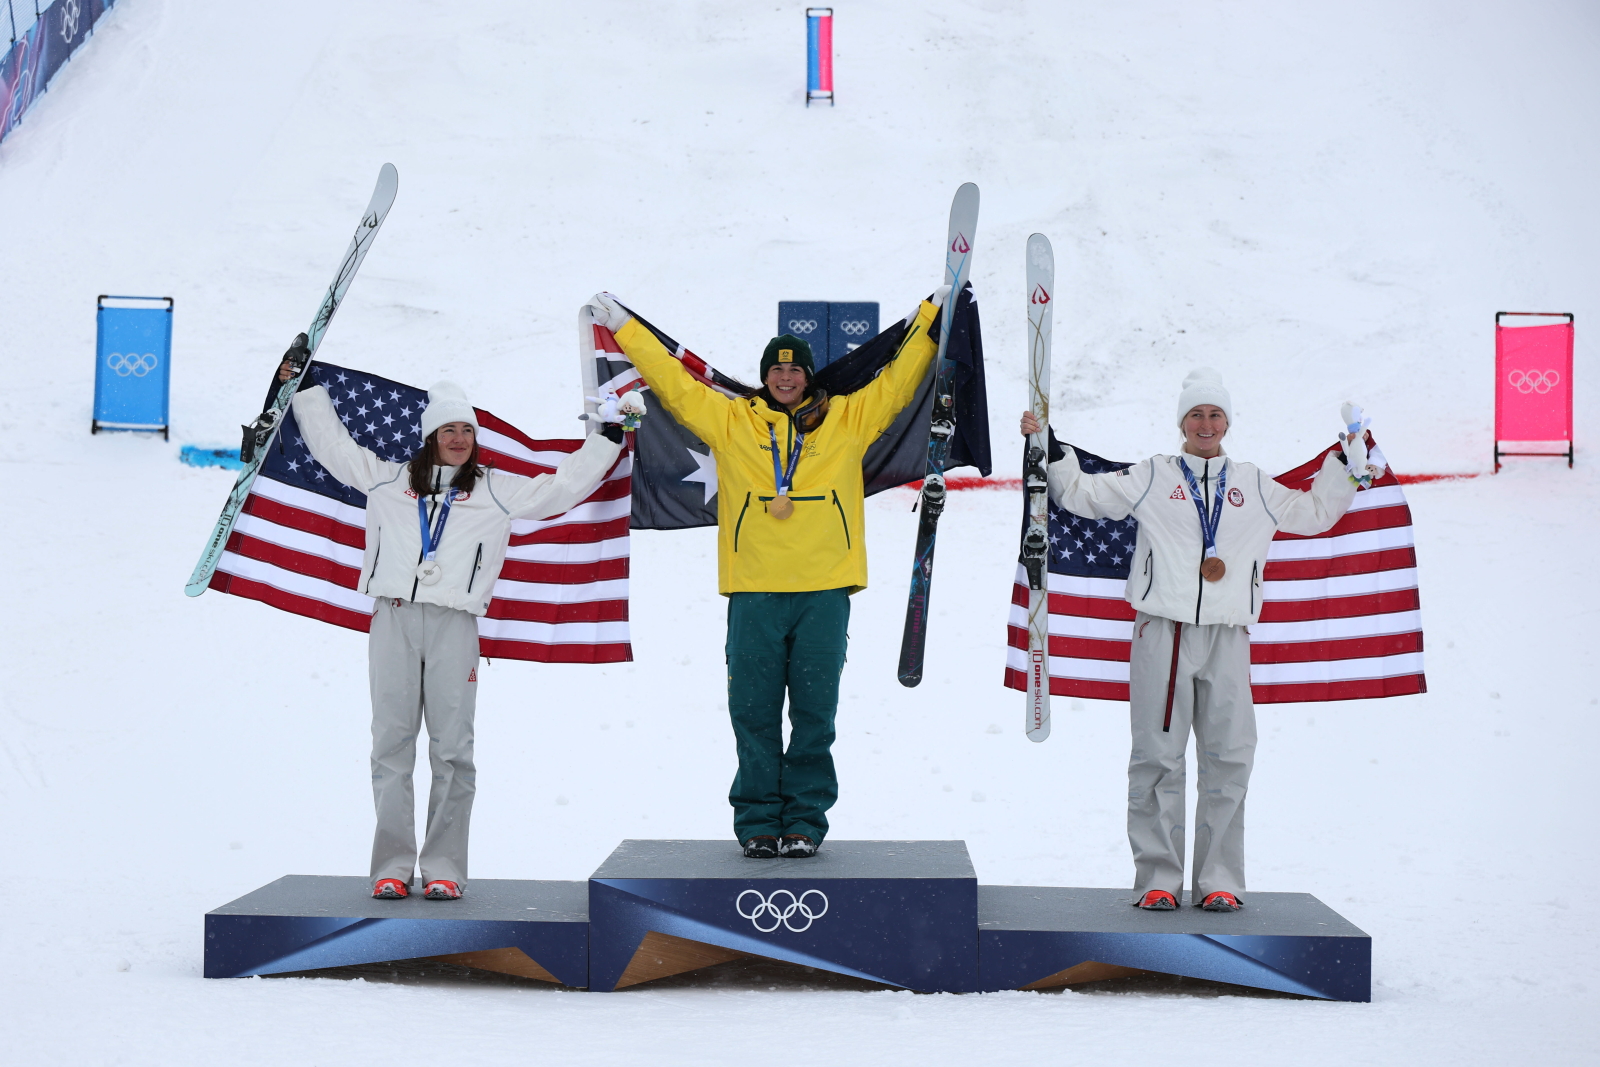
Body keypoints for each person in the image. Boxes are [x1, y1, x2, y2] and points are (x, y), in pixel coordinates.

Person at [586, 288, 949, 858]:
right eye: (777, 370)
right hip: (754, 590)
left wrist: (931, 318)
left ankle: (804, 821)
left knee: (814, 714)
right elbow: (675, 385)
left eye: (795, 369)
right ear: (764, 377)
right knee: (752, 713)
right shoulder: (731, 421)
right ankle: (757, 822)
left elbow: (898, 383)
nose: (785, 378)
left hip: (824, 589)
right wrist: (626, 329)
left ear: (808, 376)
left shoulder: (848, 419)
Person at [1020, 368, 1381, 911]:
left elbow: (1314, 514)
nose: (1205, 424)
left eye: (1214, 414)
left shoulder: (1253, 483)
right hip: (1161, 633)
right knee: (1157, 758)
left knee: (1229, 758)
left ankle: (1220, 880)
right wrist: (1047, 445)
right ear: (1181, 422)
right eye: (1196, 414)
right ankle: (1158, 879)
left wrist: (1348, 462)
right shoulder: (1153, 475)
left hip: (1227, 635)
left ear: (1227, 423)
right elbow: (1083, 494)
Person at [289, 370, 644, 899]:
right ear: (430, 436)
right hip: (393, 618)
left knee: (453, 750)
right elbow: (333, 447)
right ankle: (391, 867)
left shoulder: (493, 490)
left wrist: (609, 438)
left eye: (467, 431)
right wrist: (304, 390)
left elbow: (562, 487)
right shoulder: (388, 481)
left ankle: (444, 869)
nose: (459, 439)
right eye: (449, 430)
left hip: (454, 626)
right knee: (391, 746)